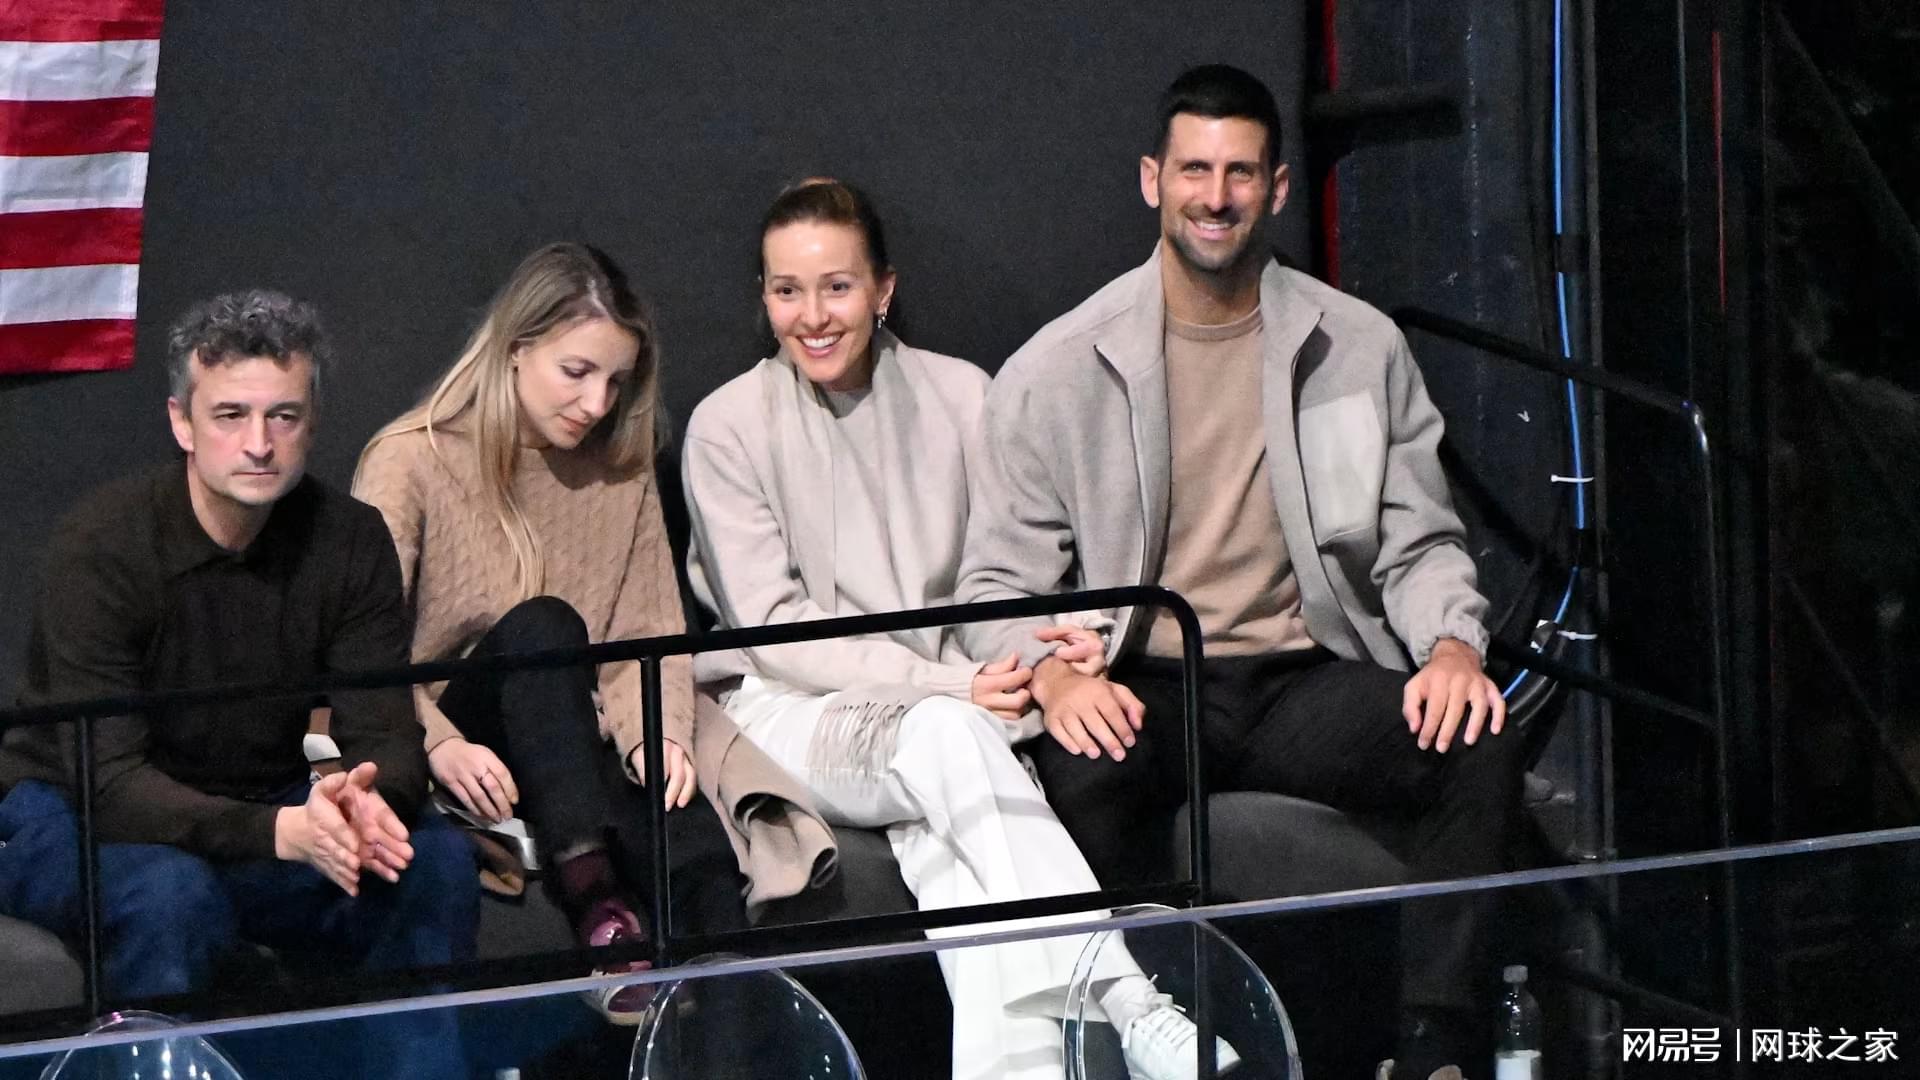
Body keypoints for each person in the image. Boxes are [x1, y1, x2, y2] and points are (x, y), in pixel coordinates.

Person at [955, 65, 1527, 1080]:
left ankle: (1434, 1052)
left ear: (1277, 187)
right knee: (1082, 767)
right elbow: (996, 586)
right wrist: (1052, 679)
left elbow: (1420, 541)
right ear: (1152, 180)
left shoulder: (1359, 345)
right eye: (1194, 171)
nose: (1214, 197)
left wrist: (1451, 647)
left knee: (1476, 733)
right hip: (1148, 680)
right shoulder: (1058, 367)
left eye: (1239, 173)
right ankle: (1134, 1050)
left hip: (1301, 678)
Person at [682, 178, 1238, 1080]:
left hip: (952, 715)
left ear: (883, 289)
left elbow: (1001, 579)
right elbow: (777, 632)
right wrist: (949, 686)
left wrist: (1063, 639)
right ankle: (1132, 1001)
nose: (812, 316)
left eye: (836, 286)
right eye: (787, 290)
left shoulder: (962, 395)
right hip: (789, 714)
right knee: (948, 737)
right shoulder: (726, 427)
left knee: (979, 911)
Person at [353, 242, 835, 1024]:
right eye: (576, 372)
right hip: (461, 729)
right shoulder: (410, 460)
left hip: (580, 727)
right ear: (516, 349)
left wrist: (657, 736)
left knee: (687, 834)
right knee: (545, 626)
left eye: (615, 381)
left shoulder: (621, 468)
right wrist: (437, 744)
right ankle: (598, 906)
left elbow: (649, 630)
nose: (596, 402)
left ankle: (729, 1026)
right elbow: (361, 651)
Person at [0, 290, 477, 1079]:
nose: (259, 444)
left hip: (258, 801)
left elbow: (386, 732)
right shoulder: (103, 545)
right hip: (72, 811)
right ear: (182, 423)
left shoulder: (349, 538)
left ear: (312, 424)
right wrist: (279, 832)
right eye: (230, 416)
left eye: (283, 416)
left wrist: (368, 799)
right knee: (172, 895)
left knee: (432, 862)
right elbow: (110, 783)